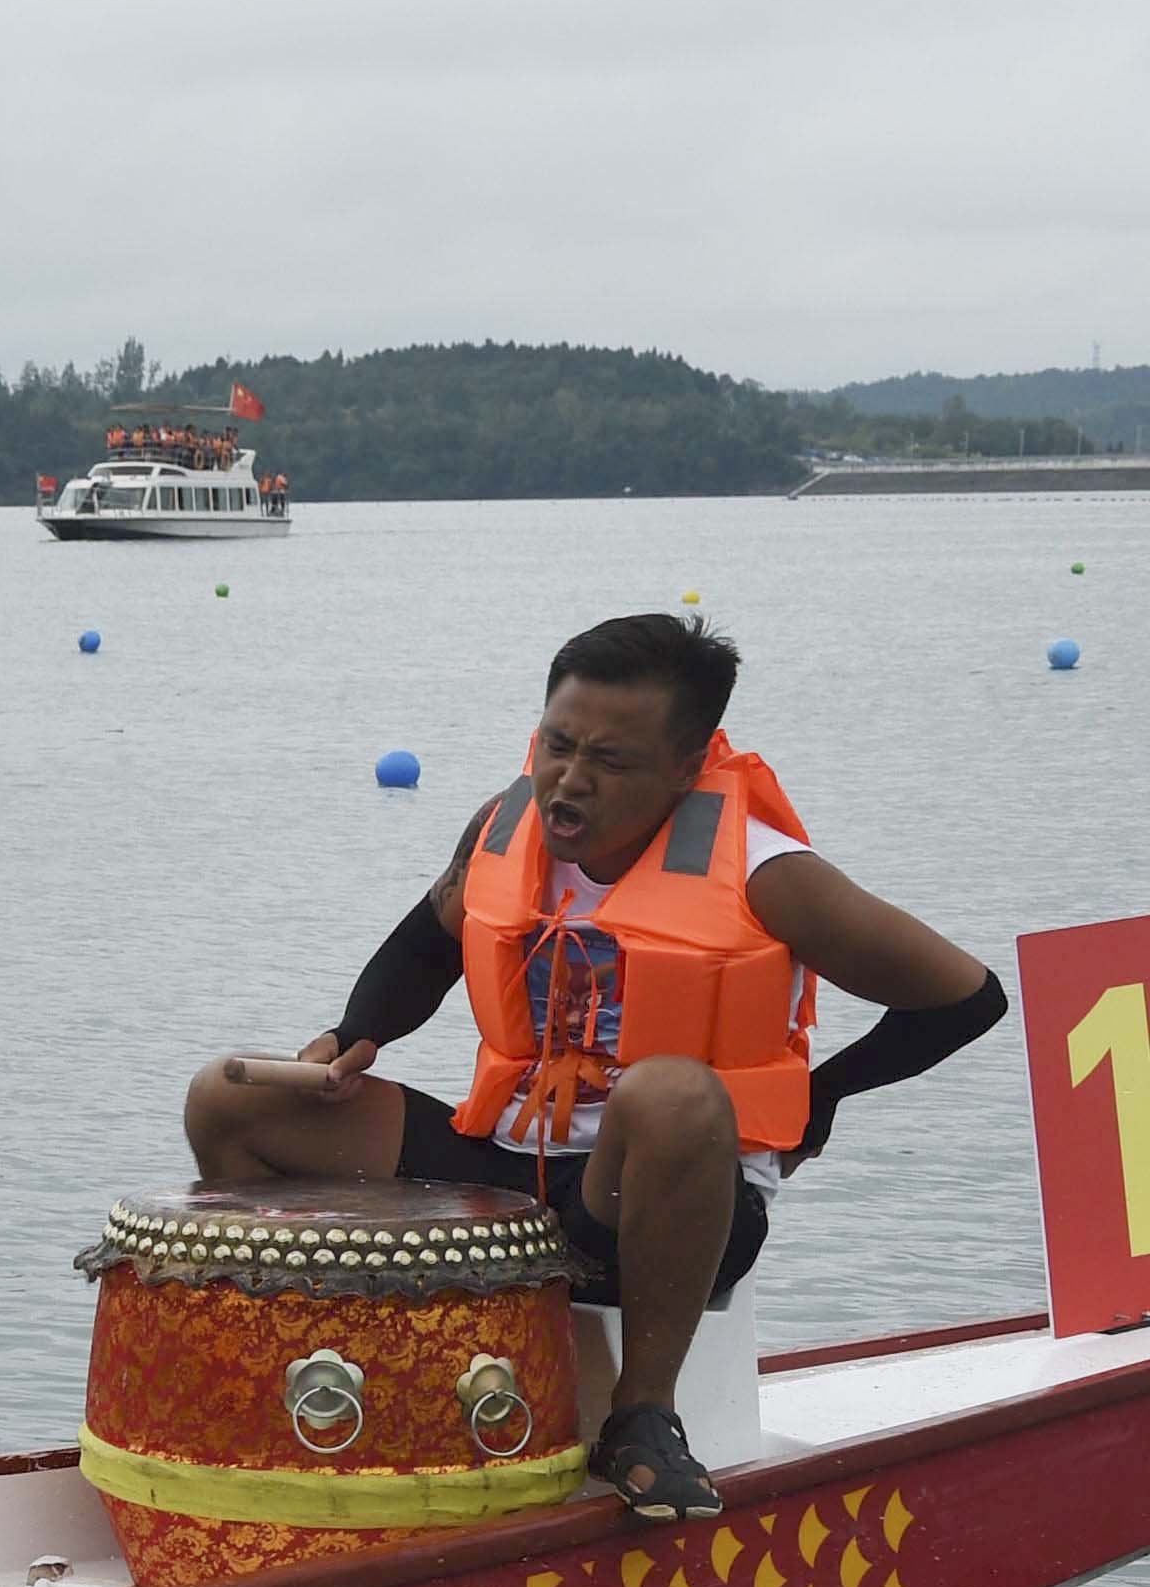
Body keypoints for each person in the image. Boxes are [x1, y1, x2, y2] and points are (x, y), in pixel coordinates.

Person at [179, 613, 1002, 1520]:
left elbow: (965, 997)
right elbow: (426, 943)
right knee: (229, 1097)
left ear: (688, 769)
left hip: (653, 1201)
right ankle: (302, 1373)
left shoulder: (771, 874)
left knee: (675, 1091)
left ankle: (643, 1414)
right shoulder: (505, 826)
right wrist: (353, 1034)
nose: (570, 779)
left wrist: (824, 1093)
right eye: (557, 744)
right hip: (503, 1166)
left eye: (611, 763)